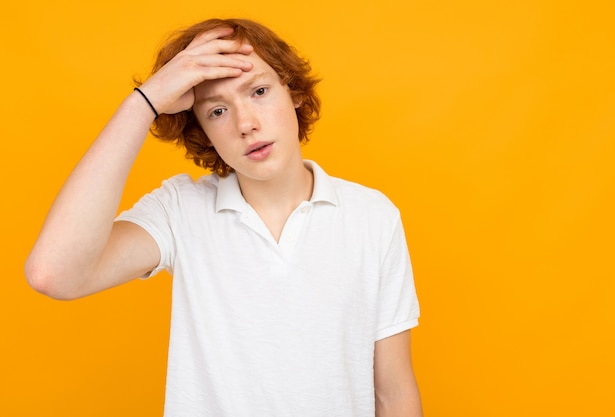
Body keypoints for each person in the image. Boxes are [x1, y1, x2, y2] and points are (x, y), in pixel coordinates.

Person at [25, 18, 423, 416]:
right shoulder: (180, 210)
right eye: (217, 110)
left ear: (294, 93)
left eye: (260, 91)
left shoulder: (372, 216)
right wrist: (143, 102)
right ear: (202, 129)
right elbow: (54, 273)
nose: (246, 124)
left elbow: (393, 393)